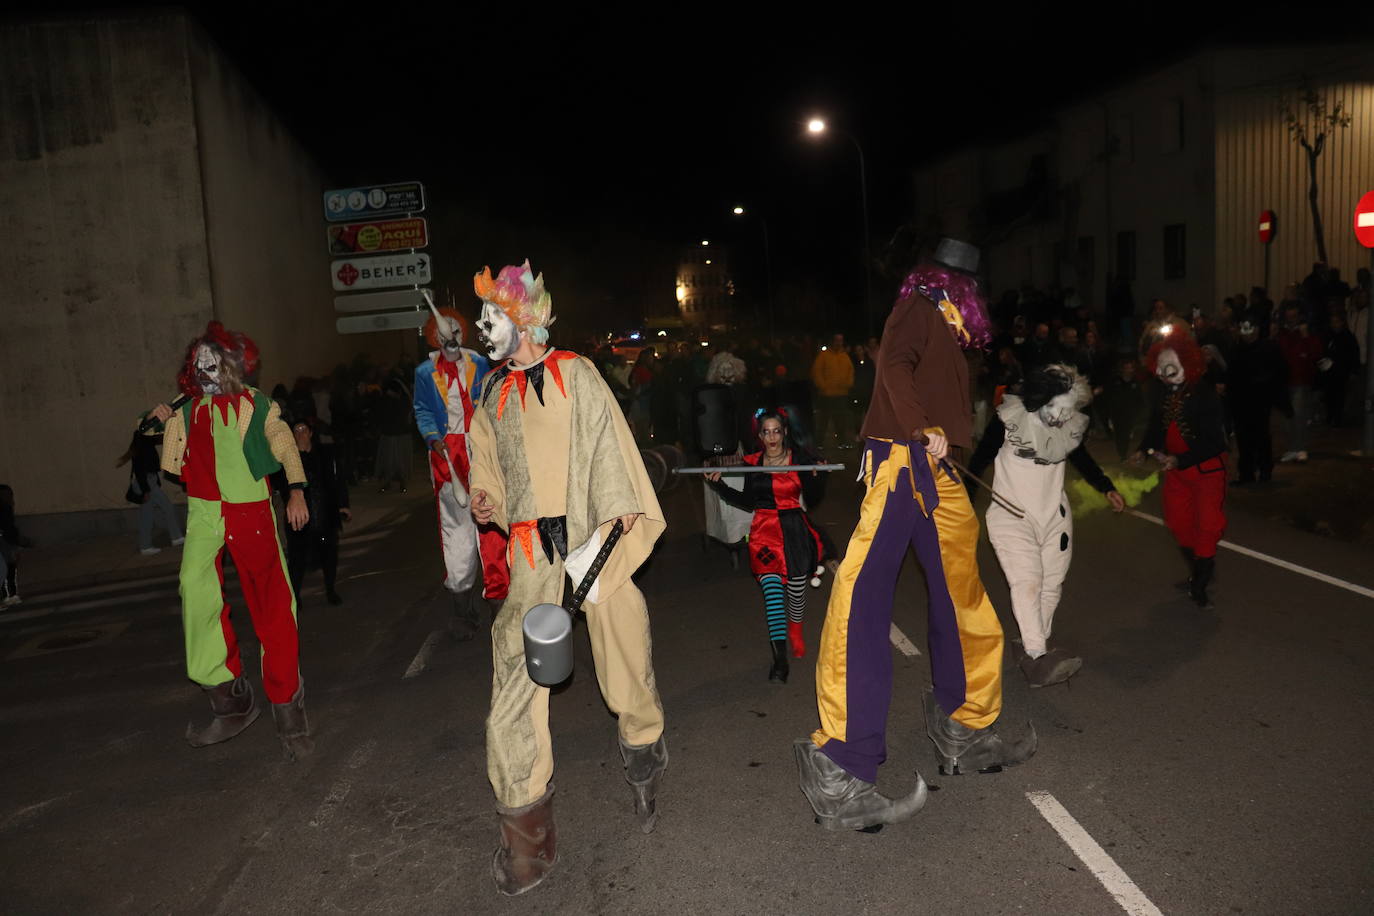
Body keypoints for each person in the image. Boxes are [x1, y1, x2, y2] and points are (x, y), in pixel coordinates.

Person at [793, 238, 1035, 834]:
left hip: (939, 471)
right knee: (863, 600)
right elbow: (894, 366)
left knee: (962, 594)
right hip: (903, 463)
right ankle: (839, 766)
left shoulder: (945, 326)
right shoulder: (919, 308)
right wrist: (921, 426)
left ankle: (966, 725)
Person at [466, 261, 668, 895]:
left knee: (620, 630)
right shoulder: (491, 393)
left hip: (587, 536)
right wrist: (485, 497)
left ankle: (642, 744)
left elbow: (609, 449)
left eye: (491, 317)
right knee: (515, 667)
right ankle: (527, 832)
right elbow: (486, 462)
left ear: (524, 319)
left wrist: (607, 526)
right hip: (529, 550)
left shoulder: (577, 374)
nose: (482, 328)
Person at [146, 321, 313, 760]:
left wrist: (295, 490)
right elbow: (154, 442)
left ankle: (287, 706)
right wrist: (156, 420)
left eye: (212, 363)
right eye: (198, 364)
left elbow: (284, 445)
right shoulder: (186, 410)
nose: (204, 371)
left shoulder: (257, 406)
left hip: (250, 510)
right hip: (204, 511)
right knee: (195, 592)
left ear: (233, 366)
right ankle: (229, 698)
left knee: (272, 603)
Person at [966, 365, 1124, 687]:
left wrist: (1106, 487)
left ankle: (1031, 643)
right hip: (1011, 516)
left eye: (1068, 411)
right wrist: (964, 499)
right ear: (1040, 399)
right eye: (1055, 409)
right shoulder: (1009, 420)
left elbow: (1082, 459)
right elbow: (980, 458)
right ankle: (1038, 656)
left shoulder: (1067, 426)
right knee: (1028, 582)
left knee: (1052, 584)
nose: (1060, 417)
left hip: (1055, 517)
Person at [705, 410, 834, 684]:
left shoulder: (800, 460)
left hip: (794, 531)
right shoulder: (753, 463)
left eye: (777, 431)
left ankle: (795, 630)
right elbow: (749, 501)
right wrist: (720, 486)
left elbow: (814, 495)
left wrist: (816, 475)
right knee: (773, 595)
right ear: (760, 436)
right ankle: (780, 658)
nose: (772, 437)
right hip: (764, 533)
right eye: (766, 432)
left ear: (784, 432)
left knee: (796, 593)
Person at [1133, 326, 1227, 609]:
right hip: (1176, 473)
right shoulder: (1162, 394)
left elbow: (1215, 443)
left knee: (1208, 527)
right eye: (1160, 368)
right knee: (1179, 524)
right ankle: (1199, 571)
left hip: (1207, 471)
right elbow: (1155, 428)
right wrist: (1143, 451)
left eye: (1169, 367)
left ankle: (1199, 587)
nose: (1163, 373)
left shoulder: (1205, 394)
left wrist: (1181, 459)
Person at [413, 304, 491, 639]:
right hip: (448, 459)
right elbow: (422, 409)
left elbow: (490, 401)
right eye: (444, 334)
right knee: (456, 535)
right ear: (435, 337)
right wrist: (433, 439)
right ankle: (463, 610)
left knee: (491, 526)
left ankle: (503, 600)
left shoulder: (480, 363)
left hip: (482, 451)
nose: (451, 338)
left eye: (455, 332)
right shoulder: (423, 373)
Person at [278, 415, 350, 606]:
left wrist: (343, 504)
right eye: (297, 431)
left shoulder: (325, 454)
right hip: (300, 517)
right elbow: (281, 486)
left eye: (304, 430)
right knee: (297, 558)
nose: (301, 434)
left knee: (329, 555)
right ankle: (295, 596)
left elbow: (337, 481)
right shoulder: (288, 459)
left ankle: (330, 589)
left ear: (310, 433)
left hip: (325, 514)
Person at [1226, 313, 1288, 485]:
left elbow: (1280, 373)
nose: (1247, 333)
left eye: (1250, 328)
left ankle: (1265, 471)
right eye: (1244, 329)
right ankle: (1246, 474)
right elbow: (1231, 377)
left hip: (1260, 403)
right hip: (1240, 404)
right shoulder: (1237, 350)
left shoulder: (1269, 349)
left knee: (1261, 437)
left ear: (1258, 330)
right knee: (1243, 439)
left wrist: (1271, 392)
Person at [118, 425, 184, 555]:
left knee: (146, 516)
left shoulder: (143, 447)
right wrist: (146, 490)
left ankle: (145, 546)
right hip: (147, 483)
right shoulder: (144, 449)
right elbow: (140, 471)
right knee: (167, 507)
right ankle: (176, 537)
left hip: (149, 483)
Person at [1275, 304, 1322, 462]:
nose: (1291, 320)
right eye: (1288, 317)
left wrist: (1306, 336)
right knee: (1285, 418)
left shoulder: (1306, 334)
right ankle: (1291, 448)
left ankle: (1300, 447)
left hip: (1300, 380)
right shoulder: (1281, 334)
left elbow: (1315, 354)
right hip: (1283, 382)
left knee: (1299, 415)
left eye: (1294, 317)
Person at [810, 334, 855, 449]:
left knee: (841, 421)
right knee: (823, 421)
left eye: (840, 341)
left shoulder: (845, 356)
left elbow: (851, 371)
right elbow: (816, 371)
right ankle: (819, 443)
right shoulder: (824, 356)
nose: (838, 343)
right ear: (832, 341)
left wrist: (848, 384)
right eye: (836, 340)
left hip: (841, 394)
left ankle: (842, 442)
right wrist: (823, 386)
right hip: (827, 395)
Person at [1318, 312, 1360, 427]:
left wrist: (1353, 370)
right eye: (1332, 322)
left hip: (1341, 372)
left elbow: (1353, 355)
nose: (1334, 325)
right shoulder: (1327, 336)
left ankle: (1337, 418)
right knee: (1329, 396)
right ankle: (1330, 416)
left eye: (1336, 322)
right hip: (1328, 372)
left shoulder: (1348, 337)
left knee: (1339, 396)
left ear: (1342, 323)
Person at [374, 370, 413, 492]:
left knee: (396, 459)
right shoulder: (392, 399)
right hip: (392, 433)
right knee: (390, 460)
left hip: (396, 433)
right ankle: (391, 482)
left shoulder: (400, 399)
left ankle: (399, 482)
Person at [0, 484, 35, 607]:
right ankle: (8, 595)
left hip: (7, 543)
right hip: (6, 544)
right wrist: (21, 542)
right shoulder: (5, 510)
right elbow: (9, 529)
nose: (10, 499)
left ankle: (9, 595)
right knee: (8, 570)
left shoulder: (7, 509)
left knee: (8, 571)